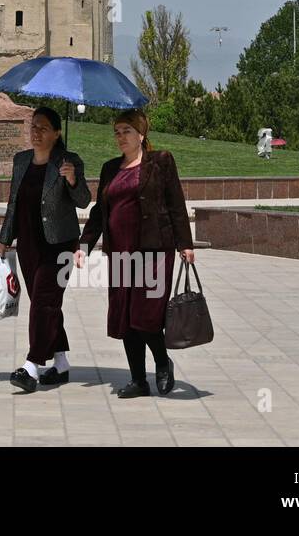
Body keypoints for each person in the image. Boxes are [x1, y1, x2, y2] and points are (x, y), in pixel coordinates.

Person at [74, 110, 195, 398]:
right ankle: (139, 380)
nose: (120, 137)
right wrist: (82, 247)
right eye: (116, 132)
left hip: (154, 252)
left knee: (147, 315)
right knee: (126, 317)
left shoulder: (160, 162)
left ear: (141, 134)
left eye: (126, 131)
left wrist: (185, 244)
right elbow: (99, 213)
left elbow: (176, 203)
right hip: (120, 255)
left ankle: (163, 363)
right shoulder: (109, 168)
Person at [0, 107, 90, 393]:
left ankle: (32, 365)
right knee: (46, 304)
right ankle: (60, 363)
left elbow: (84, 200)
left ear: (57, 133)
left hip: (59, 244)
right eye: (33, 126)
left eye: (44, 128)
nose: (36, 132)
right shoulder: (21, 160)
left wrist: (72, 180)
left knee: (43, 304)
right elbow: (13, 204)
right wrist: (4, 240)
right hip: (29, 245)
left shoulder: (69, 161)